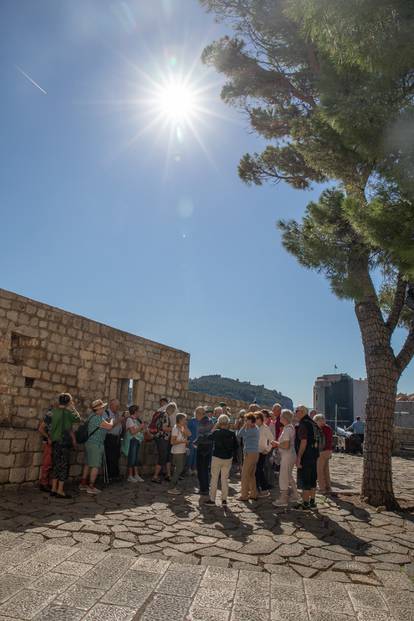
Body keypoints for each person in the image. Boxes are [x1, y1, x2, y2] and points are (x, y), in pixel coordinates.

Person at [50, 393, 80, 499]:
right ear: (68, 402)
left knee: (56, 465)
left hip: (54, 442)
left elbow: (46, 424)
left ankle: (53, 489)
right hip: (64, 443)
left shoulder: (52, 412)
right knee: (63, 467)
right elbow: (78, 419)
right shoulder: (68, 413)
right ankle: (60, 490)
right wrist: (73, 408)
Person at [80, 399, 113, 494]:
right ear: (98, 409)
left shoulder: (91, 416)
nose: (103, 409)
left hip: (89, 443)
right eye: (102, 408)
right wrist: (111, 421)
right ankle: (91, 486)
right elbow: (109, 427)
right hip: (96, 444)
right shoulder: (98, 418)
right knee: (95, 465)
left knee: (88, 463)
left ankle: (83, 483)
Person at [204, 414, 238, 507]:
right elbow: (236, 447)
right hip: (227, 458)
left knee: (214, 478)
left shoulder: (216, 432)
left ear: (219, 423)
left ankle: (212, 499)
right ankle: (224, 500)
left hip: (217, 457)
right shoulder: (232, 434)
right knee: (224, 479)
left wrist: (215, 426)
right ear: (227, 423)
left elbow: (208, 436)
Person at [295, 405, 320, 510]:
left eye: (296, 411)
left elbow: (303, 441)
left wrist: (299, 456)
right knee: (312, 478)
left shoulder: (303, 424)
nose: (295, 413)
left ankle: (305, 503)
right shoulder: (313, 423)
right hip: (314, 454)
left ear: (302, 412)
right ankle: (312, 502)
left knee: (305, 479)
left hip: (306, 455)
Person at [272, 409, 298, 506]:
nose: (280, 418)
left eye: (281, 416)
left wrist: (276, 443)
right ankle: (295, 495)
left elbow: (286, 445)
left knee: (283, 477)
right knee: (289, 476)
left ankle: (283, 499)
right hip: (290, 454)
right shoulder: (290, 427)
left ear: (284, 418)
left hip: (287, 455)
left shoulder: (287, 429)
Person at [149, 400, 174, 483]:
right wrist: (174, 428)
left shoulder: (161, 414)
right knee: (162, 457)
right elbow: (164, 428)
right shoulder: (166, 415)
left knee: (166, 456)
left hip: (160, 438)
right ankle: (155, 476)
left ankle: (168, 474)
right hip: (162, 438)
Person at [237, 413, 260, 501]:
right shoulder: (255, 428)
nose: (245, 421)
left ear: (251, 420)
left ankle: (244, 495)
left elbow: (240, 435)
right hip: (254, 453)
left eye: (247, 420)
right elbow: (240, 434)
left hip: (250, 454)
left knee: (244, 475)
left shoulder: (252, 430)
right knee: (251, 475)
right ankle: (253, 494)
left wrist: (244, 426)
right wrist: (245, 425)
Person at [168, 413, 191, 495]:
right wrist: (183, 441)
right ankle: (171, 488)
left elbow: (189, 434)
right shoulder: (175, 428)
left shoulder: (182, 427)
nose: (186, 421)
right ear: (180, 420)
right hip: (177, 452)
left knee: (179, 469)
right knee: (178, 470)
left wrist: (185, 426)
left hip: (182, 451)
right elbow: (172, 441)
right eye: (185, 419)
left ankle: (173, 486)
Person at [122, 405, 145, 483]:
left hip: (137, 440)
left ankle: (136, 475)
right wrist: (140, 427)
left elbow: (139, 431)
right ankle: (130, 476)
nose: (140, 413)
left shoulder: (137, 420)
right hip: (132, 440)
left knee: (136, 459)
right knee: (131, 458)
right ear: (135, 412)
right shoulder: (129, 420)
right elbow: (132, 432)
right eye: (139, 411)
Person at [194, 406, 214, 496]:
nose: (195, 416)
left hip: (203, 447)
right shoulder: (210, 420)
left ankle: (203, 489)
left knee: (201, 468)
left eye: (196, 414)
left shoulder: (203, 421)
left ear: (199, 413)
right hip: (209, 446)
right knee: (205, 468)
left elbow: (203, 435)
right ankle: (205, 487)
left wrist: (195, 443)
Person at [255, 412, 274, 497]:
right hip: (254, 452)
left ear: (261, 419)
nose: (255, 420)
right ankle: (256, 489)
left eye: (257, 418)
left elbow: (272, 440)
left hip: (262, 452)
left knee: (259, 471)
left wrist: (267, 450)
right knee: (255, 471)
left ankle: (264, 489)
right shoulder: (254, 427)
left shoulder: (265, 428)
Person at [104, 399, 123, 481]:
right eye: (116, 406)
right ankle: (110, 476)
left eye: (118, 406)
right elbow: (108, 426)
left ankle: (115, 475)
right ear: (111, 405)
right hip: (109, 437)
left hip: (117, 438)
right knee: (110, 457)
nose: (118, 407)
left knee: (116, 456)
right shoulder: (106, 413)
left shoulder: (117, 414)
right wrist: (119, 420)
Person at [314, 414, 333, 493]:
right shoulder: (328, 428)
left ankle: (322, 488)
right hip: (329, 451)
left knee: (319, 471)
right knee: (326, 470)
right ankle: (328, 487)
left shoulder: (319, 429)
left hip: (322, 451)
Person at [38, 406, 53, 492]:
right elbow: (41, 428)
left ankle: (49, 483)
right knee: (47, 464)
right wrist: (48, 438)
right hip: (49, 443)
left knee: (52, 464)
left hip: (56, 443)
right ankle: (43, 483)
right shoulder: (51, 414)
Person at [187, 406, 203, 475]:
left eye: (202, 413)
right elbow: (186, 431)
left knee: (197, 456)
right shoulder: (191, 421)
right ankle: (189, 469)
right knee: (191, 455)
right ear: (195, 413)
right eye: (198, 413)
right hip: (191, 441)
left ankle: (195, 469)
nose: (200, 414)